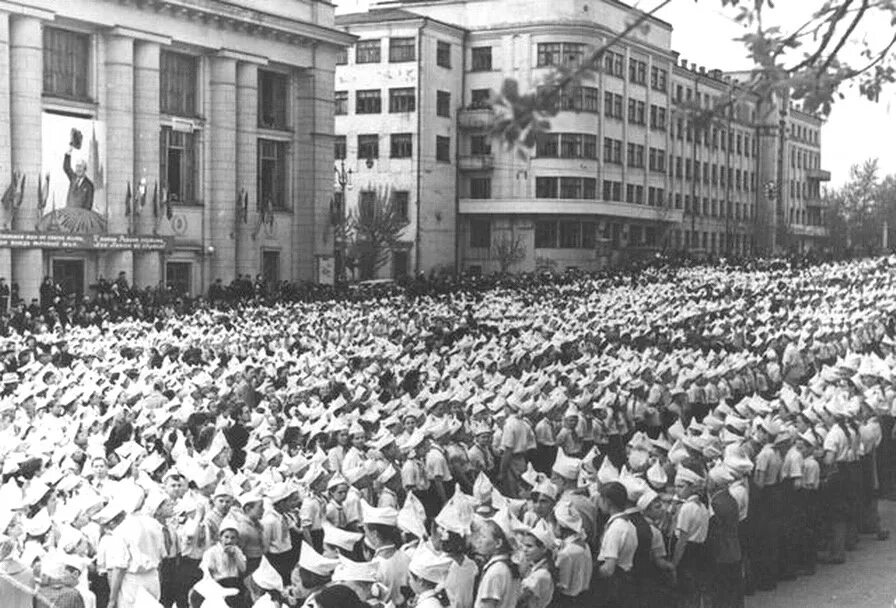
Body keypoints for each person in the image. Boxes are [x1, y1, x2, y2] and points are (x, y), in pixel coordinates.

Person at [471, 519, 520, 608]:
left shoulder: (495, 572)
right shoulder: (506, 567)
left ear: (498, 543)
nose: (479, 540)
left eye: (483, 537)